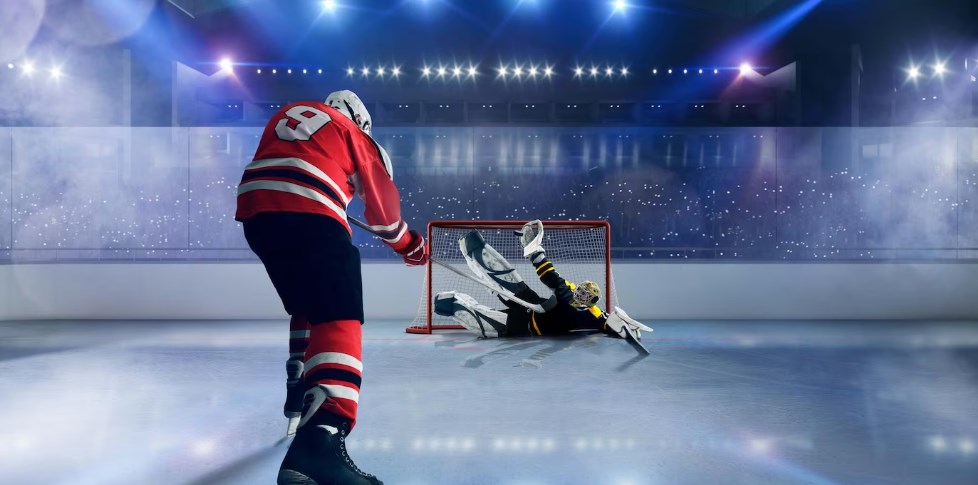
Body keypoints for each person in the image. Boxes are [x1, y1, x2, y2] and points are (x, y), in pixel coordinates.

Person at [235, 90, 426, 485]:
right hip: (310, 213)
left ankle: (297, 383)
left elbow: (286, 166)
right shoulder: (355, 133)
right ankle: (320, 441)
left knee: (309, 303)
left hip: (256, 215)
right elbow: (385, 217)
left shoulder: (288, 112)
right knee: (339, 312)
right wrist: (412, 247)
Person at [433, 220, 650, 340]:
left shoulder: (593, 314)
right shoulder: (569, 291)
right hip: (533, 304)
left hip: (525, 325)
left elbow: (606, 323)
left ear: (590, 302)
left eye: (585, 296)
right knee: (507, 277)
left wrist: (620, 327)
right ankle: (474, 246)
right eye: (581, 291)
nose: (580, 295)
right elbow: (550, 276)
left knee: (484, 322)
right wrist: (535, 252)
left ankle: (449, 304)